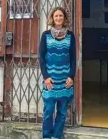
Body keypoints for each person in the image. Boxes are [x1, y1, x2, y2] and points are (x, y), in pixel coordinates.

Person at [39, 7, 76, 139]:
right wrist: (46, 77)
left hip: (65, 80)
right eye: (56, 16)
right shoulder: (46, 35)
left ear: (64, 18)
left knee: (62, 112)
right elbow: (41, 57)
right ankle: (47, 136)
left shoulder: (71, 36)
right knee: (48, 111)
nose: (58, 18)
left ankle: (56, 136)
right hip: (50, 80)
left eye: (61, 16)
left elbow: (73, 58)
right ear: (52, 18)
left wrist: (71, 76)